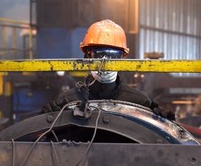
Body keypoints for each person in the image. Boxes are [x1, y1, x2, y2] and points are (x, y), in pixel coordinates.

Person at [41, 19, 175, 120]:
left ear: (122, 58)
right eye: (99, 55)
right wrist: (48, 117)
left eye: (112, 55)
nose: (105, 62)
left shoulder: (138, 101)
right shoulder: (67, 101)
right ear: (88, 56)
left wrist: (163, 122)